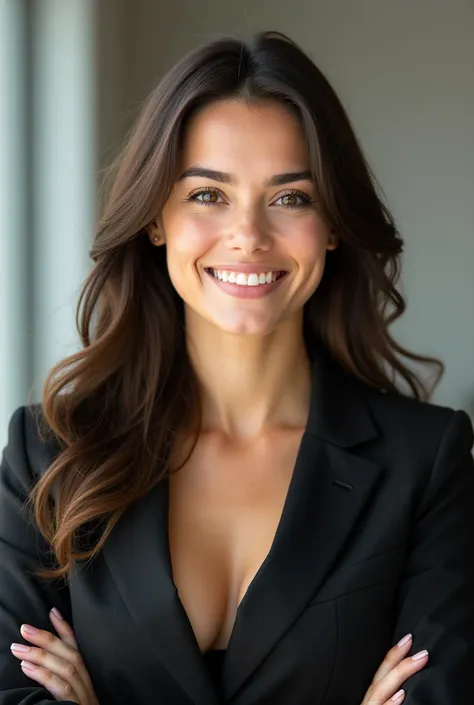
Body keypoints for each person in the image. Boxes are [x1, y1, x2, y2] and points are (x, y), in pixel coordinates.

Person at [0, 30, 473, 705]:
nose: (248, 233)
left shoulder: (426, 464)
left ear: (333, 222)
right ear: (156, 218)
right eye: (208, 194)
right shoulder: (46, 456)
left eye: (291, 198)